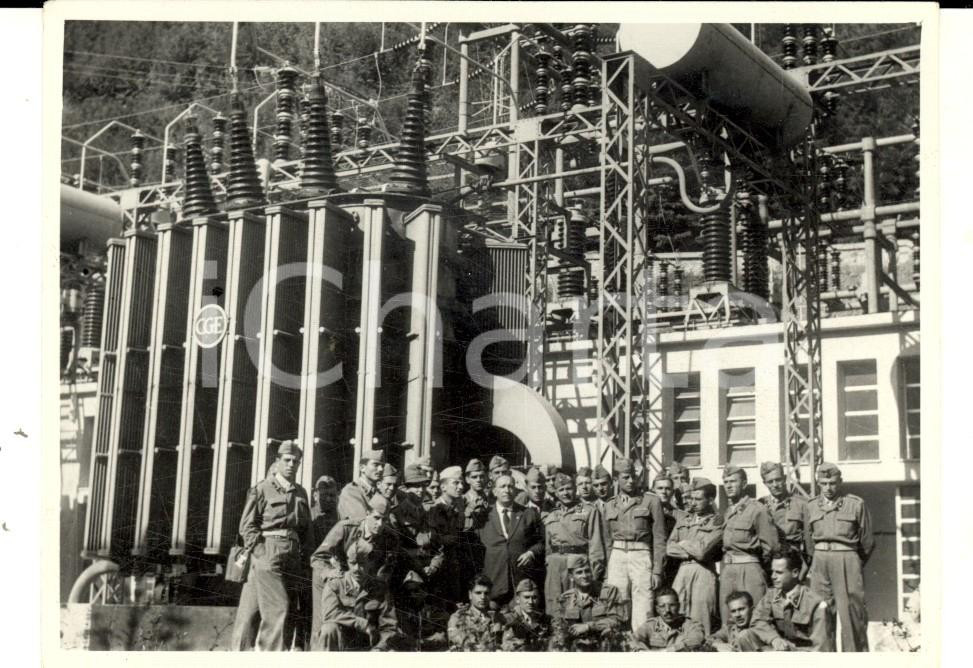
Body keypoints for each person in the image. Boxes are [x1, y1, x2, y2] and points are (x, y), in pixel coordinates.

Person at [233, 441, 314, 651]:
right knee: (279, 608)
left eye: (296, 461)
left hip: (293, 556)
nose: (291, 465)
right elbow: (247, 526)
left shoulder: (301, 492)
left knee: (251, 611)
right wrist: (262, 553)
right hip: (269, 551)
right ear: (277, 462)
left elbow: (306, 531)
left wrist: (306, 558)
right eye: (287, 460)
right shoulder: (262, 489)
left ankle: (241, 653)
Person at [805, 462, 873, 652]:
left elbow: (867, 542)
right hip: (820, 561)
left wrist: (853, 563)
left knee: (852, 617)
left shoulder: (855, 504)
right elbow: (808, 541)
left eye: (833, 483)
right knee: (821, 614)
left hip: (847, 559)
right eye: (824, 483)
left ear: (840, 482)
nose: (828, 488)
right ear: (818, 482)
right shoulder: (810, 506)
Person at [603, 457, 668, 632]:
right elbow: (607, 541)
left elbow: (659, 539)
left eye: (633, 476)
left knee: (643, 602)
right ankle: (618, 642)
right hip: (617, 556)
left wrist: (657, 571)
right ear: (616, 480)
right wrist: (607, 570)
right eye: (626, 477)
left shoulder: (651, 501)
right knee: (617, 600)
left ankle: (641, 643)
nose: (631, 481)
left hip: (641, 555)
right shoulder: (609, 505)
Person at [720, 465, 779, 626]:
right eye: (726, 482)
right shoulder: (728, 511)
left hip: (750, 569)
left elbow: (771, 546)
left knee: (755, 619)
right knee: (728, 619)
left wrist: (757, 567)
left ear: (744, 484)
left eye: (733, 481)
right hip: (728, 570)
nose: (728, 485)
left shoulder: (758, 509)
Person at [542, 473, 607, 615]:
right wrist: (549, 563)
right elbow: (547, 547)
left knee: (576, 606)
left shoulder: (588, 511)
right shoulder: (551, 516)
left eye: (569, 488)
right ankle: (556, 635)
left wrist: (593, 576)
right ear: (556, 493)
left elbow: (596, 546)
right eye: (561, 490)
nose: (565, 493)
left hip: (577, 564)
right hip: (555, 566)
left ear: (575, 489)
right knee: (554, 604)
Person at [317, 540, 400, 651]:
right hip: (342, 642)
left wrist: (380, 648)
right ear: (347, 562)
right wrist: (363, 624)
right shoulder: (335, 584)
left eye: (361, 563)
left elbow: (389, 627)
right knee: (328, 629)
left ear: (370, 563)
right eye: (352, 563)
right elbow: (330, 614)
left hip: (369, 644)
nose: (356, 569)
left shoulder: (379, 587)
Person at [477, 473, 544, 606]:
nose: (507, 490)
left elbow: (542, 541)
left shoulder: (528, 514)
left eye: (510, 486)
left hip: (520, 583)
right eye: (502, 486)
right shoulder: (482, 516)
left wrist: (531, 552)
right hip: (493, 582)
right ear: (495, 491)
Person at [666, 476, 723, 634]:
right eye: (692, 498)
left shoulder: (717, 521)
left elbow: (703, 552)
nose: (693, 502)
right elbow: (669, 547)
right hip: (682, 571)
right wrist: (691, 550)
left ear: (710, 500)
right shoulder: (685, 520)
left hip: (703, 571)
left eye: (699, 499)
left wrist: (683, 543)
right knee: (678, 614)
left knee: (701, 618)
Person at [751, 547, 834, 651]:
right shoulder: (772, 595)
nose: (773, 576)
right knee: (746, 636)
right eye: (772, 572)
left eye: (779, 572)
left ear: (795, 573)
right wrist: (774, 639)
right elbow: (757, 621)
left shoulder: (815, 603)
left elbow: (821, 646)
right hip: (781, 648)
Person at [553, 555, 624, 651]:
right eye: (579, 572)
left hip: (603, 644)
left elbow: (617, 621)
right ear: (571, 576)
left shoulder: (609, 592)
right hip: (577, 646)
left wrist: (588, 626)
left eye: (587, 571)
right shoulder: (565, 598)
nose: (585, 576)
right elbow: (559, 626)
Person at [424, 466, 466, 606]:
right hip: (439, 568)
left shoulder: (458, 507)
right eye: (455, 483)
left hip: (454, 566)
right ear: (443, 487)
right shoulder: (433, 509)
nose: (460, 487)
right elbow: (435, 541)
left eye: (461, 483)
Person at [759, 462, 810, 567]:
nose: (775, 485)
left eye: (778, 480)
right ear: (764, 483)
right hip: (768, 563)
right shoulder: (760, 505)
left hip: (793, 562)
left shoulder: (801, 504)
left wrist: (804, 568)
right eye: (770, 482)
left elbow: (809, 543)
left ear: (785, 478)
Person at [633, 588, 705, 652]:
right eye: (662, 606)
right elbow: (633, 640)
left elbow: (697, 639)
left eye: (672, 605)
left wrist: (669, 651)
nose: (667, 610)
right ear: (657, 609)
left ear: (679, 606)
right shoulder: (650, 625)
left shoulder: (690, 625)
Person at [447, 574, 504, 650]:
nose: (483, 597)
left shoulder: (497, 617)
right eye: (478, 593)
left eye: (486, 593)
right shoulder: (458, 618)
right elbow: (459, 645)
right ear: (470, 595)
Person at [652, 472, 686, 588]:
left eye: (667, 488)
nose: (664, 492)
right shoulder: (646, 514)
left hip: (674, 564)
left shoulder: (681, 516)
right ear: (653, 490)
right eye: (660, 488)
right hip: (652, 564)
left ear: (672, 491)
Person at [501, 579, 553, 651]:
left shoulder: (545, 619)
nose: (530, 602)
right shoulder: (510, 619)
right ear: (518, 599)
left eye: (534, 597)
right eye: (526, 597)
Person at [337, 448, 385, 521]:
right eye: (376, 465)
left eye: (382, 466)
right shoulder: (351, 491)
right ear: (362, 468)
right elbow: (362, 522)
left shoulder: (378, 492)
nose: (381, 469)